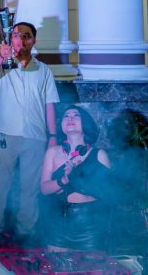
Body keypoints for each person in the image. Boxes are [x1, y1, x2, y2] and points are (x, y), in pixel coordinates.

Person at [0, 21, 60, 246]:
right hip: (6, 134)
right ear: (11, 39)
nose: (21, 39)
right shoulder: (3, 64)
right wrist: (1, 57)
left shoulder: (44, 70)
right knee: (0, 182)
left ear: (34, 40)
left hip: (35, 134)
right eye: (17, 35)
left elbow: (49, 104)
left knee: (30, 185)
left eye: (27, 35)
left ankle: (25, 229)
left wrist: (53, 136)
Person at [40, 106, 111, 251]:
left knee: (88, 265)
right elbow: (44, 189)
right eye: (66, 116)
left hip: (89, 224)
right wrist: (64, 180)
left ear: (85, 123)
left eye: (76, 115)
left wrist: (77, 177)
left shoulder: (100, 155)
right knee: (57, 265)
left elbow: (109, 193)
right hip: (58, 222)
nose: (70, 118)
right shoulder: (52, 152)